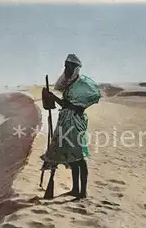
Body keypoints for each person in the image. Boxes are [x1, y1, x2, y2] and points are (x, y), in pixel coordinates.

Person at [41, 54, 101, 199]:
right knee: (72, 157)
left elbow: (75, 106)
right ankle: (75, 189)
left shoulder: (82, 85)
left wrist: (53, 97)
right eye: (66, 66)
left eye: (69, 66)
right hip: (65, 121)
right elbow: (65, 105)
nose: (67, 69)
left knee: (79, 156)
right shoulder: (69, 84)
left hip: (76, 123)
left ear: (75, 68)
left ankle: (83, 192)